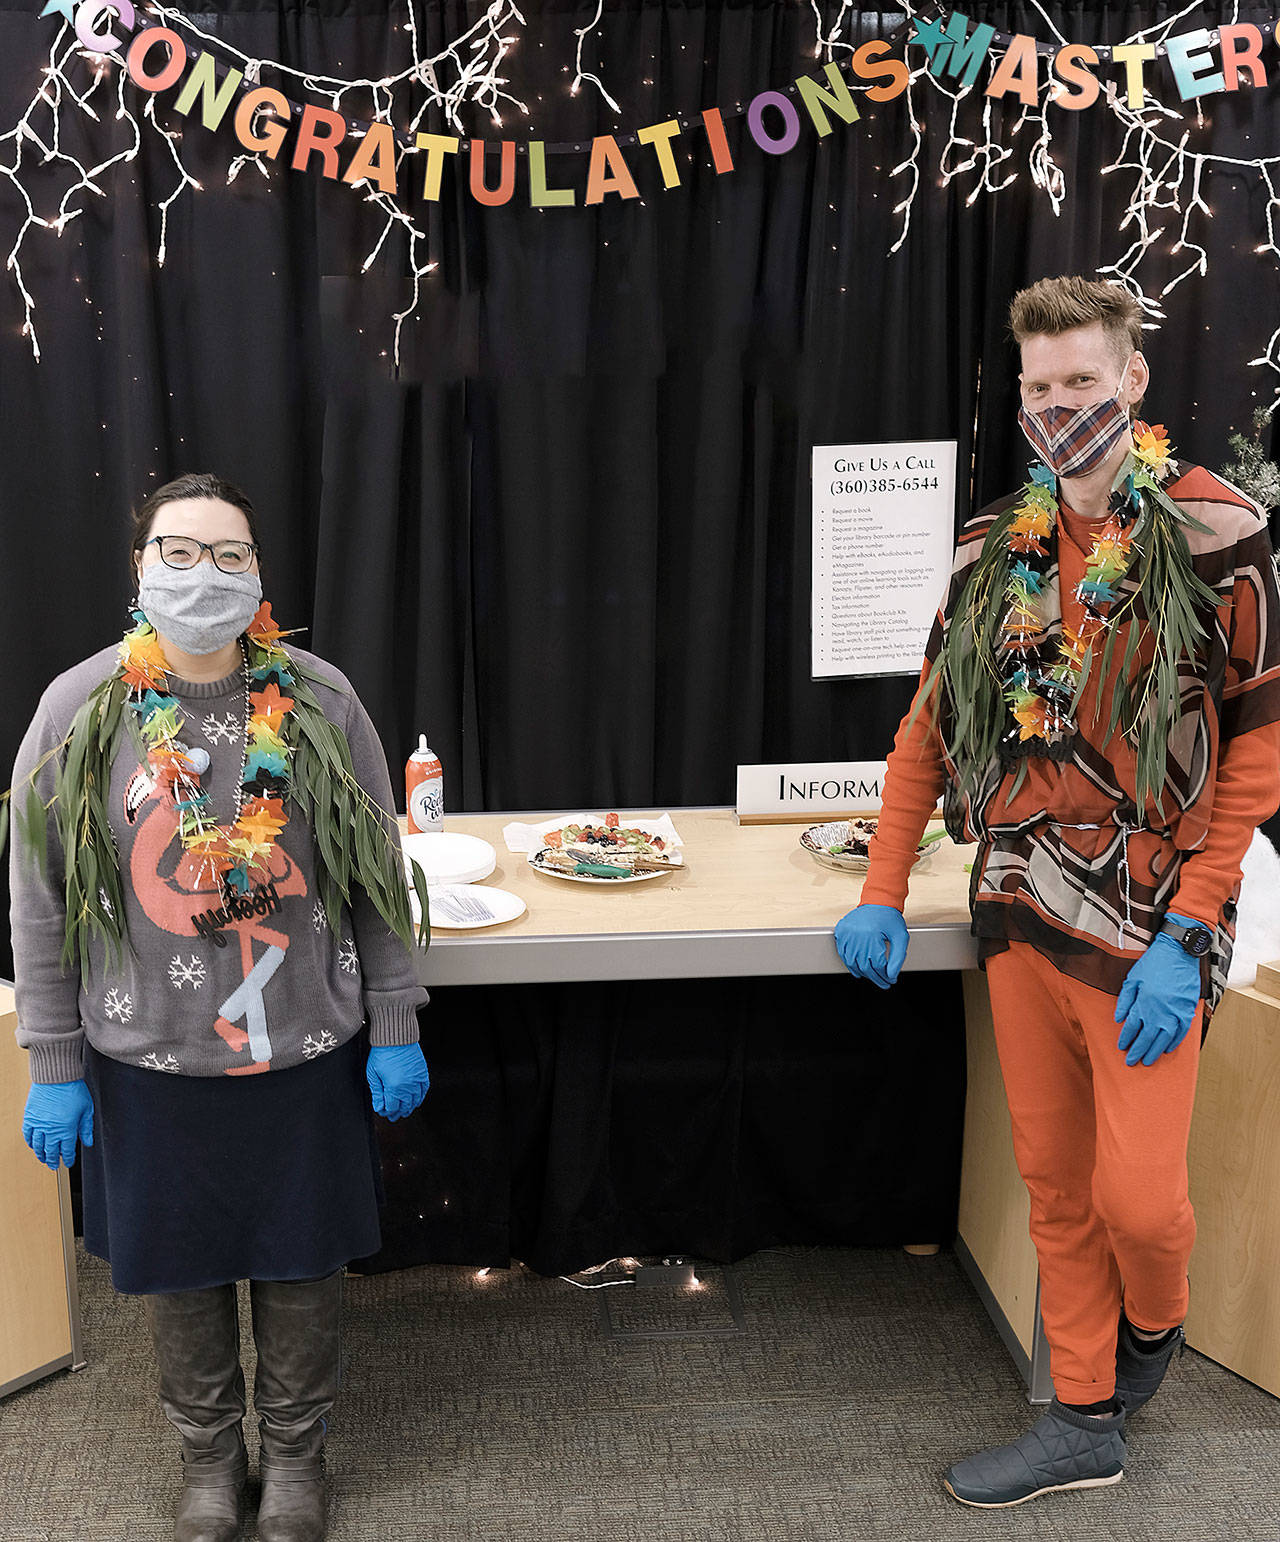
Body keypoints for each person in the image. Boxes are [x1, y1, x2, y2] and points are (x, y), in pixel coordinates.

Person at [834, 276, 1280, 1507]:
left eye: (1080, 382)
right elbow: (926, 728)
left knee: (1139, 1200)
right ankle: (1080, 1417)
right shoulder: (991, 548)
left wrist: (1192, 929)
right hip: (1018, 899)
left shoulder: (1214, 530)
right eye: (1037, 389)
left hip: (1149, 922)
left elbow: (1255, 742)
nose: (1058, 407)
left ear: (1130, 381)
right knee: (1051, 1182)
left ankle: (1156, 1324)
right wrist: (882, 884)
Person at [5, 472, 433, 1542]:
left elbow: (375, 873)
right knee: (179, 1267)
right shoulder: (80, 710)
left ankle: (294, 1458)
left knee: (300, 1263)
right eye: (178, 552)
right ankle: (208, 1461)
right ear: (142, 569)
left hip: (301, 1056)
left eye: (228, 554)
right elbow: (39, 894)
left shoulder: (321, 701)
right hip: (147, 1059)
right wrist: (51, 1060)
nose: (204, 574)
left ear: (259, 575)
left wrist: (396, 1021)